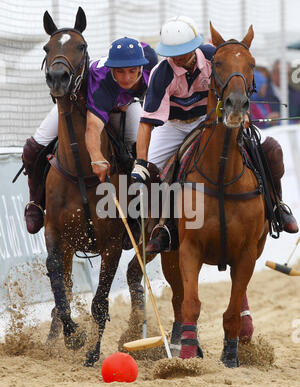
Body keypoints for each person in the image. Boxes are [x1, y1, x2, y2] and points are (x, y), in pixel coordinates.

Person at [131, 16, 298, 255]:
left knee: (259, 149)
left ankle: (277, 207)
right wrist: (140, 162)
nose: (178, 57)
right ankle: (163, 227)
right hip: (173, 126)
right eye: (173, 53)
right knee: (153, 173)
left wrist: (242, 111)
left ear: (194, 46)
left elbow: (237, 83)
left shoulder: (214, 55)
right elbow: (147, 122)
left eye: (184, 51)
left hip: (210, 119)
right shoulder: (161, 73)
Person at [22, 37, 158, 240]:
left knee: (138, 151)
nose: (126, 78)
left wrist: (129, 99)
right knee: (34, 147)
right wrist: (96, 157)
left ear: (141, 66)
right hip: (83, 103)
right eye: (119, 71)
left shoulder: (151, 64)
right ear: (112, 69)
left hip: (123, 105)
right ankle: (35, 203)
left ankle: (134, 212)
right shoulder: (103, 83)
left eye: (132, 71)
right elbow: (93, 127)